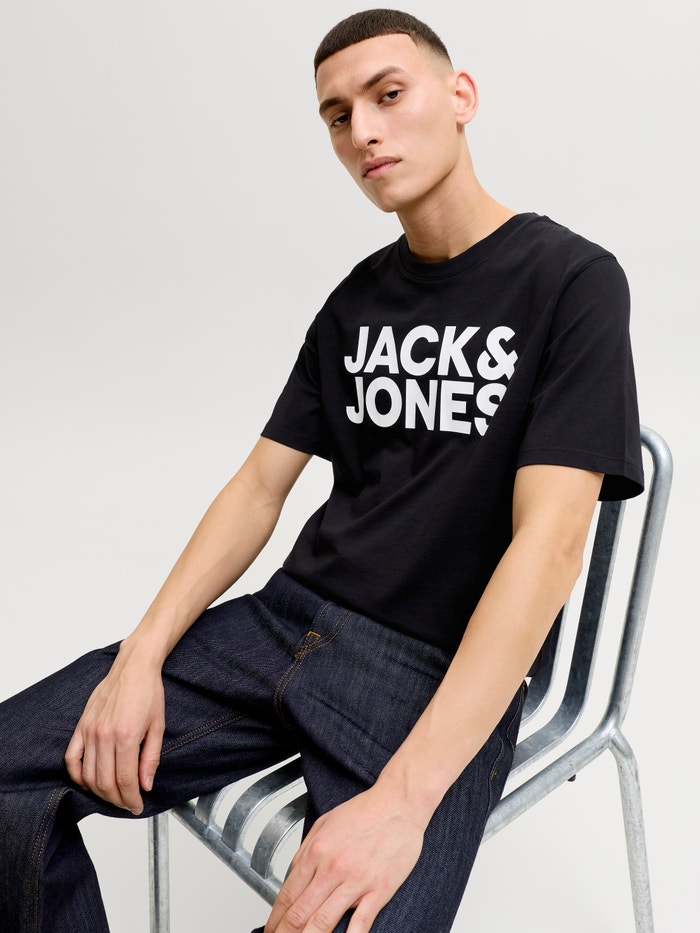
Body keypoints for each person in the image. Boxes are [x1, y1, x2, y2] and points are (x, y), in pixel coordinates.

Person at [0, 8, 644, 933]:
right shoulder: (357, 299)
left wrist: (404, 803)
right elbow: (259, 486)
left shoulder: (571, 280)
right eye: (338, 116)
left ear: (460, 97)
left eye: (389, 95)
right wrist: (141, 656)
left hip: (428, 670)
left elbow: (549, 545)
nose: (364, 131)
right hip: (283, 623)